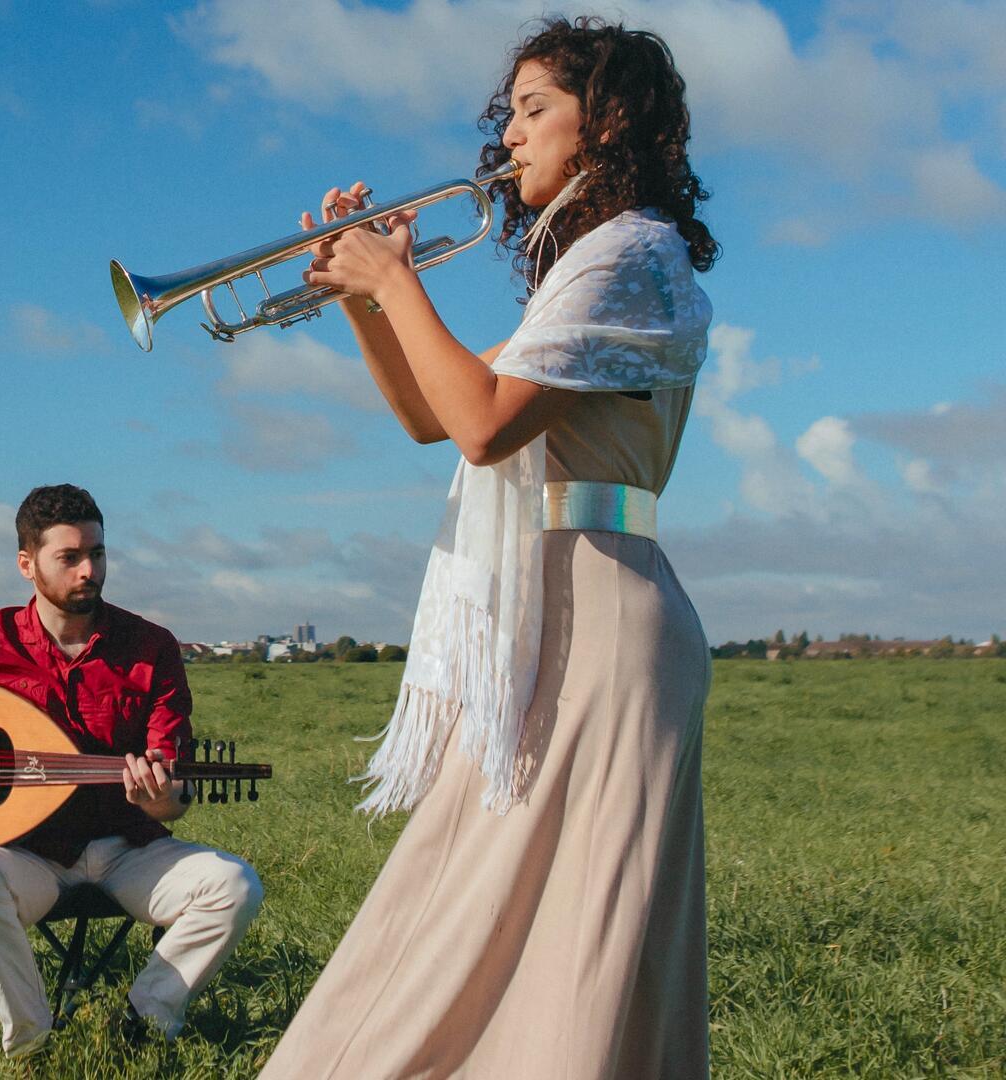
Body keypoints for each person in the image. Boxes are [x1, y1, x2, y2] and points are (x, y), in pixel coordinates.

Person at [259, 18, 718, 1079]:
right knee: (470, 903)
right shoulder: (590, 271)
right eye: (506, 113)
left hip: (604, 614)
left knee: (568, 931)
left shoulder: (633, 254)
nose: (507, 137)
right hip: (555, 606)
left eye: (533, 109)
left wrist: (396, 282)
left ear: (605, 125)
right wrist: (364, 303)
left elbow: (482, 423)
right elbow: (435, 414)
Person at [0, 484, 263, 1058]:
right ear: (27, 565)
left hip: (127, 848)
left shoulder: (149, 647)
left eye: (98, 554)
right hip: (28, 854)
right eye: (70, 558)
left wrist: (158, 796)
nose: (90, 570)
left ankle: (144, 1020)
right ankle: (32, 1041)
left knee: (234, 885)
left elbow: (173, 799)